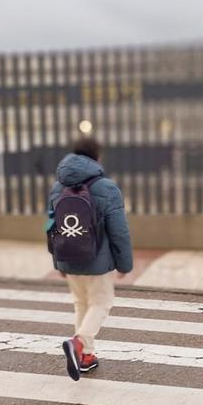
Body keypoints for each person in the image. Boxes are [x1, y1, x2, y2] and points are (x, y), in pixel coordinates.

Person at [47, 136, 133, 381]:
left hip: (68, 257)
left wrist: (57, 260)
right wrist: (124, 263)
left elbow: (51, 225)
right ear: (97, 157)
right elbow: (119, 230)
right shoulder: (106, 187)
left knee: (81, 303)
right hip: (97, 261)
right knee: (101, 303)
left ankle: (86, 356)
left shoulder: (57, 187)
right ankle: (78, 344)